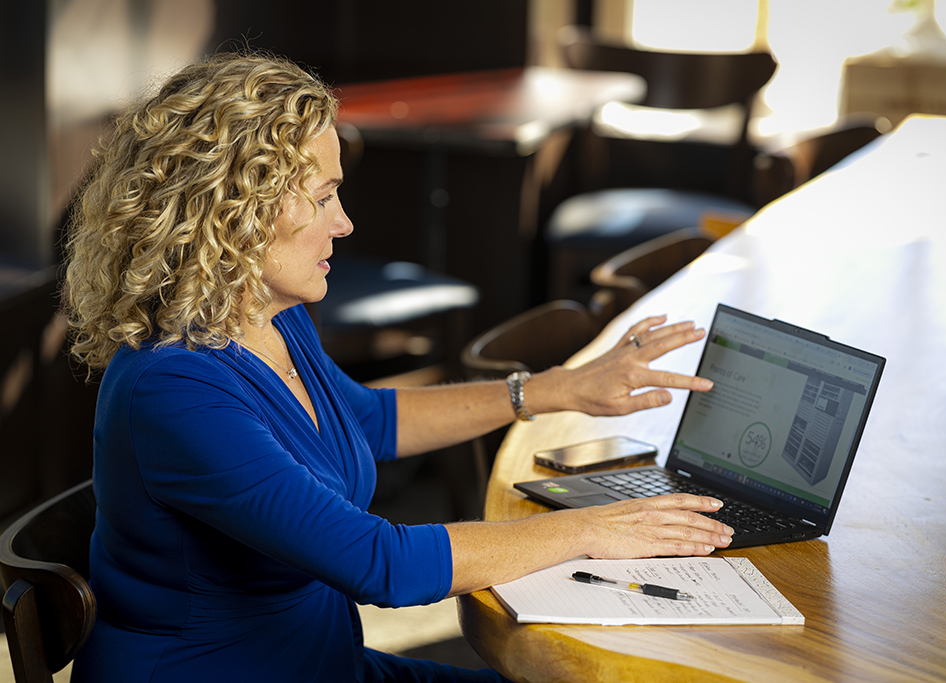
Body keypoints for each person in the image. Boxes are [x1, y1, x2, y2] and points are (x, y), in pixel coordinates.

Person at [62, 52, 733, 683]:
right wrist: (592, 528)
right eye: (323, 197)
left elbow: (366, 418)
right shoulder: (173, 388)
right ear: (236, 211)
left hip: (322, 664)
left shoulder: (270, 313)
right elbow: (382, 564)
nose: (345, 223)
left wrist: (557, 389)